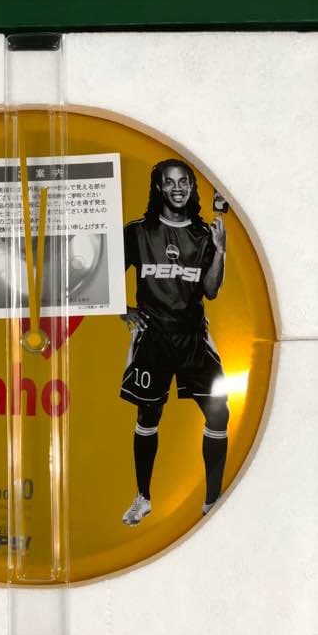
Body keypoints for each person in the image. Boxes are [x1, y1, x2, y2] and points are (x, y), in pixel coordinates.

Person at [121, 159, 229, 525]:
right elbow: (100, 274)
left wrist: (220, 250)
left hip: (193, 336)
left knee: (219, 411)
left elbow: (211, 290)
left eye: (184, 182)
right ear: (158, 188)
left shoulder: (203, 234)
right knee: (148, 414)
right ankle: (143, 498)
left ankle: (212, 501)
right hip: (154, 337)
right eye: (169, 182)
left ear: (192, 187)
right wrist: (123, 310)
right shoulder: (138, 231)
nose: (177, 188)